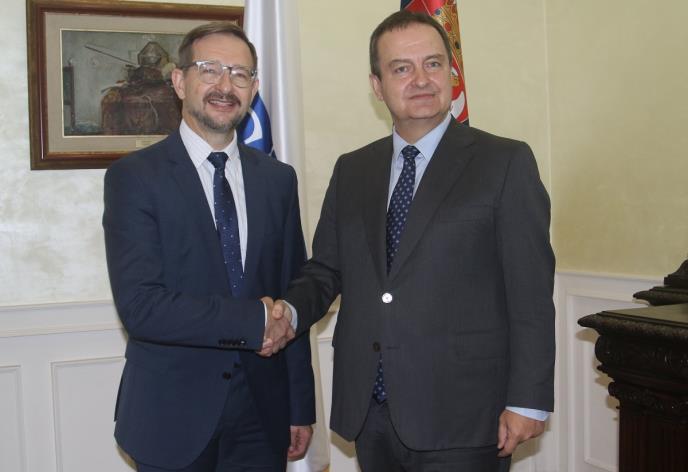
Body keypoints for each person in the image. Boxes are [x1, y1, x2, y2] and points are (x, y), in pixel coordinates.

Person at [270, 10, 555, 472]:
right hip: (372, 411)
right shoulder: (353, 169)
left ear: (451, 73)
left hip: (465, 416)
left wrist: (529, 400)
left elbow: (531, 292)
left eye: (433, 64)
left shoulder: (505, 162)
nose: (421, 79)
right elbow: (326, 269)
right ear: (377, 85)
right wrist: (289, 312)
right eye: (401, 68)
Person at [103, 22, 314, 472]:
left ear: (254, 88)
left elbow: (291, 289)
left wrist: (299, 405)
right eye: (210, 69)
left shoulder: (278, 180)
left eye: (240, 74)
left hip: (263, 416)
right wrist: (255, 320)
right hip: (171, 417)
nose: (225, 86)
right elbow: (141, 306)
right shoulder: (134, 178)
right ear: (180, 81)